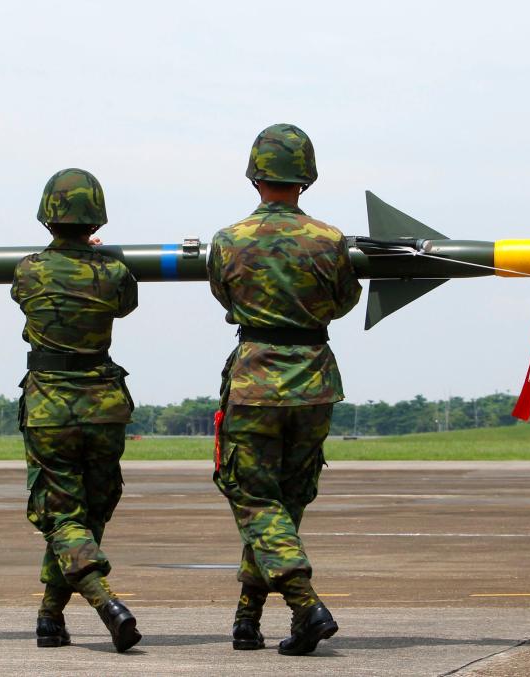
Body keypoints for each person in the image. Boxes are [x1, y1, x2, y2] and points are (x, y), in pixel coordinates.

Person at [208, 123, 362, 656]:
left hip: (255, 382)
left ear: (255, 175)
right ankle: (247, 618)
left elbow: (223, 296)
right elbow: (344, 301)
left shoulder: (229, 241)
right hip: (315, 383)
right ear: (307, 177)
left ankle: (305, 604)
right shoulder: (331, 241)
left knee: (255, 499)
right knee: (286, 503)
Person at [11, 168, 141, 653]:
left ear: (47, 214)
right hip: (103, 406)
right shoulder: (112, 272)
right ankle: (49, 615)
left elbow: (24, 297)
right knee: (91, 512)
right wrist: (98, 255)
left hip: (49, 407)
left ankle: (104, 602)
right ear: (96, 217)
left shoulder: (28, 270)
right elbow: (126, 305)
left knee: (64, 518)